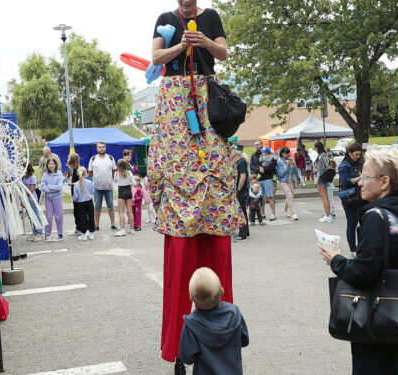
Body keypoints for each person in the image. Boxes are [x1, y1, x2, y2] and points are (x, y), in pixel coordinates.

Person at [150, 2, 245, 370]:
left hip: (206, 98)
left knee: (213, 170)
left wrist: (203, 40)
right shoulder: (164, 19)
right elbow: (156, 57)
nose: (187, 2)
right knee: (177, 170)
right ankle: (178, 347)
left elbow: (222, 51)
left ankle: (220, 337)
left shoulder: (210, 17)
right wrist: (180, 48)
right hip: (175, 101)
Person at [318, 147, 398, 374]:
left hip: (382, 320)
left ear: (385, 181)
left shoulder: (376, 216)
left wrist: (336, 260)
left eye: (365, 177)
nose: (359, 183)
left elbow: (365, 272)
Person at [179, 267, 249, 375]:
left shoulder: (191, 324)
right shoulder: (234, 313)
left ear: (192, 298)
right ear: (222, 291)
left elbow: (187, 358)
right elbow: (244, 340)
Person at [337, 143, 366, 254]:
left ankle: (362, 246)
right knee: (352, 223)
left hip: (362, 196)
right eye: (356, 154)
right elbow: (346, 181)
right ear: (349, 153)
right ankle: (353, 249)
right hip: (350, 198)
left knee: (364, 222)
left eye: (359, 154)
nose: (358, 157)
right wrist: (360, 178)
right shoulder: (344, 165)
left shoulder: (360, 164)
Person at [89, 141, 118, 232]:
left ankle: (113, 224)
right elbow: (90, 172)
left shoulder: (110, 158)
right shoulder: (93, 159)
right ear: (97, 148)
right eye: (99, 147)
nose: (101, 148)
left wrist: (107, 178)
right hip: (97, 188)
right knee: (97, 207)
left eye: (103, 147)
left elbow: (114, 170)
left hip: (108, 187)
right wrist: (98, 178)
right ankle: (96, 225)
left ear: (105, 148)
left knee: (111, 206)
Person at [41, 158, 65, 241]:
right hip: (48, 199)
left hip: (57, 198)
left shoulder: (59, 175)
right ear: (47, 165)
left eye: (53, 164)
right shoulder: (45, 175)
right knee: (48, 217)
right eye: (49, 164)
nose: (51, 165)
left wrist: (49, 187)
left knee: (58, 216)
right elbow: (43, 187)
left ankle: (60, 234)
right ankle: (47, 234)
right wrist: (51, 188)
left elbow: (59, 187)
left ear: (56, 165)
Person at [231, 146, 250, 242]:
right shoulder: (238, 161)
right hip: (240, 190)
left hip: (241, 191)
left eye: (232, 150)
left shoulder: (241, 162)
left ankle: (243, 235)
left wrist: (238, 189)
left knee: (240, 211)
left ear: (236, 152)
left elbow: (243, 177)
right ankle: (245, 232)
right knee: (242, 210)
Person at [276, 147, 300, 220]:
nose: (288, 155)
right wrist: (287, 166)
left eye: (288, 153)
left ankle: (284, 210)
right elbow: (280, 174)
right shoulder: (279, 162)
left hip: (291, 180)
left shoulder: (291, 160)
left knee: (290, 196)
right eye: (286, 153)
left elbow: (295, 172)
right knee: (289, 195)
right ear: (282, 153)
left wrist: (294, 165)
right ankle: (293, 213)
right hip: (283, 181)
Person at [22, 163, 44, 241]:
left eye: (23, 168)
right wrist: (22, 199)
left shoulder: (32, 177)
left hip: (32, 199)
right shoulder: (23, 177)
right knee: (30, 216)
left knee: (35, 215)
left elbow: (31, 189)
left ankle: (39, 233)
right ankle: (34, 233)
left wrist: (23, 197)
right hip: (25, 199)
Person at [72, 167, 95, 241]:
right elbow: (92, 191)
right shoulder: (89, 182)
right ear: (86, 174)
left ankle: (83, 235)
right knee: (91, 217)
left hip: (80, 203)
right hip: (89, 201)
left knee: (82, 218)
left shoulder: (76, 184)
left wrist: (75, 199)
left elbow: (75, 196)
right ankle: (91, 233)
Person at [113, 159, 135, 237]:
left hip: (121, 192)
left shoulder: (117, 173)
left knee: (121, 211)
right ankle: (132, 229)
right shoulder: (129, 173)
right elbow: (134, 183)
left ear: (118, 166)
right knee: (130, 211)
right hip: (128, 191)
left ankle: (122, 230)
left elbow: (115, 181)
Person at [314, 142, 335, 222]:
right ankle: (327, 215)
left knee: (324, 198)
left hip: (322, 178)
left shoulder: (321, 156)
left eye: (315, 147)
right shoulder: (324, 155)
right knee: (325, 198)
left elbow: (321, 170)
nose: (314, 149)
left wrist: (316, 179)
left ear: (318, 148)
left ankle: (328, 216)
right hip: (325, 177)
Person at [258, 147, 277, 220]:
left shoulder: (272, 159)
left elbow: (272, 168)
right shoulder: (260, 158)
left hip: (268, 179)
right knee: (261, 197)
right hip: (260, 179)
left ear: (267, 152)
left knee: (270, 197)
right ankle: (262, 214)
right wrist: (259, 169)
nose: (262, 152)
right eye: (262, 151)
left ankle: (273, 214)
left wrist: (263, 170)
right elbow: (257, 167)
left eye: (263, 151)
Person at [65, 153, 82, 236]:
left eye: (69, 158)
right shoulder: (73, 169)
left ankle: (79, 228)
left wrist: (72, 184)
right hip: (76, 192)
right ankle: (79, 227)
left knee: (77, 210)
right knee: (77, 210)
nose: (67, 160)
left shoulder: (77, 169)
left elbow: (80, 182)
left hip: (77, 192)